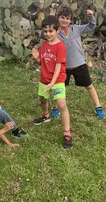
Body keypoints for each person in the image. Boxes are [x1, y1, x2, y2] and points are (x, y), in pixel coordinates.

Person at [50, 6, 106, 120]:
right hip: (63, 66)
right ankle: (56, 108)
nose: (64, 20)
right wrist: (51, 19)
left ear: (71, 20)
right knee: (59, 89)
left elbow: (91, 26)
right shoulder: (55, 32)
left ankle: (98, 107)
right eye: (62, 17)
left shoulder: (76, 28)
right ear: (57, 18)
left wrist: (91, 17)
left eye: (67, 18)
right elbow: (45, 34)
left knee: (89, 86)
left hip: (79, 64)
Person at [31, 15, 72, 149]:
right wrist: (37, 59)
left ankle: (67, 133)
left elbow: (58, 67)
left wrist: (52, 83)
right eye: (45, 31)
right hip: (44, 79)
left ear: (57, 30)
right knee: (42, 99)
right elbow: (42, 63)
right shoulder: (44, 45)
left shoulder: (60, 47)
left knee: (61, 104)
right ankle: (45, 115)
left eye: (51, 31)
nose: (48, 34)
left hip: (57, 80)